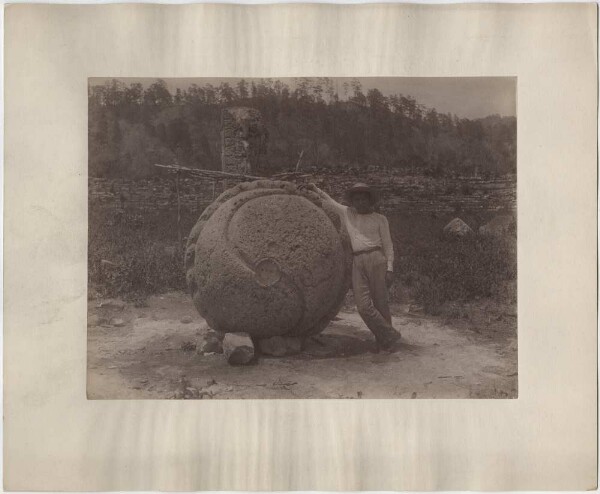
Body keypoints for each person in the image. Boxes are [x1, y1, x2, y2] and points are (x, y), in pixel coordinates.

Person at [305, 182, 402, 352]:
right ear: (353, 201)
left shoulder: (380, 219)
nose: (360, 202)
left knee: (381, 302)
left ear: (369, 200)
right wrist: (315, 189)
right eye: (356, 199)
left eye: (363, 198)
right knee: (363, 306)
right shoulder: (347, 213)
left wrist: (390, 268)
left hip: (377, 258)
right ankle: (389, 334)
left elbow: (388, 245)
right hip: (357, 261)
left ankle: (384, 342)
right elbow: (330, 202)